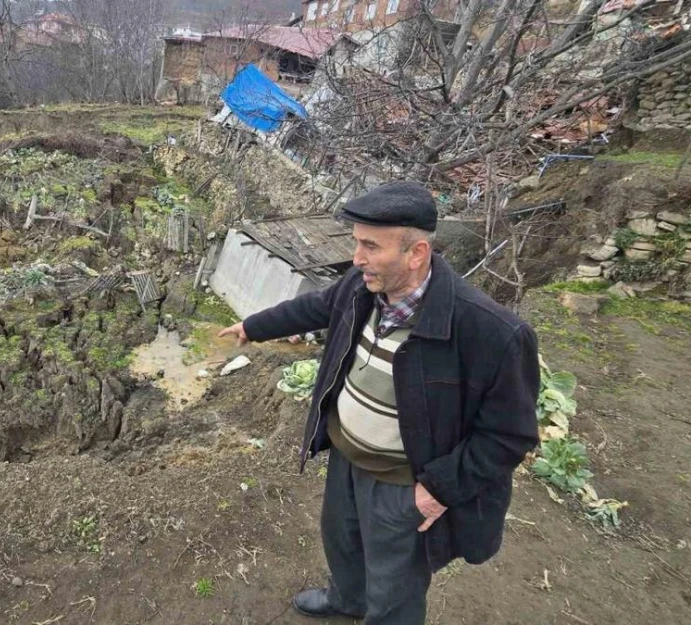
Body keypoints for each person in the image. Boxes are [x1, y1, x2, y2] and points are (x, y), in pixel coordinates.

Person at [218, 181, 540, 625]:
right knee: (343, 540)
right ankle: (349, 600)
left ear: (417, 254)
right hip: (346, 459)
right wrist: (253, 326)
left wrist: (438, 492)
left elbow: (509, 435)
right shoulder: (361, 286)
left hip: (402, 483)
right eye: (357, 244)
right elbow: (316, 306)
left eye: (370, 246)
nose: (356, 258)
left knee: (395, 587)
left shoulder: (490, 332)